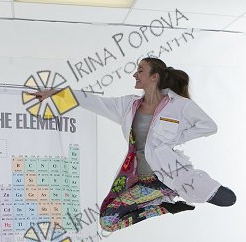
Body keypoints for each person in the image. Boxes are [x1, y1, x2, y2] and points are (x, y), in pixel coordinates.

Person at [33, 57, 235, 232]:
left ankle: (186, 190)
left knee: (227, 198)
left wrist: (176, 139)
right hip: (142, 181)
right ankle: (165, 207)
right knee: (108, 221)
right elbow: (94, 101)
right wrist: (56, 93)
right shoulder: (128, 105)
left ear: (154, 77)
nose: (134, 74)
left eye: (140, 70)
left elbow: (209, 126)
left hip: (170, 175)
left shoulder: (179, 105)